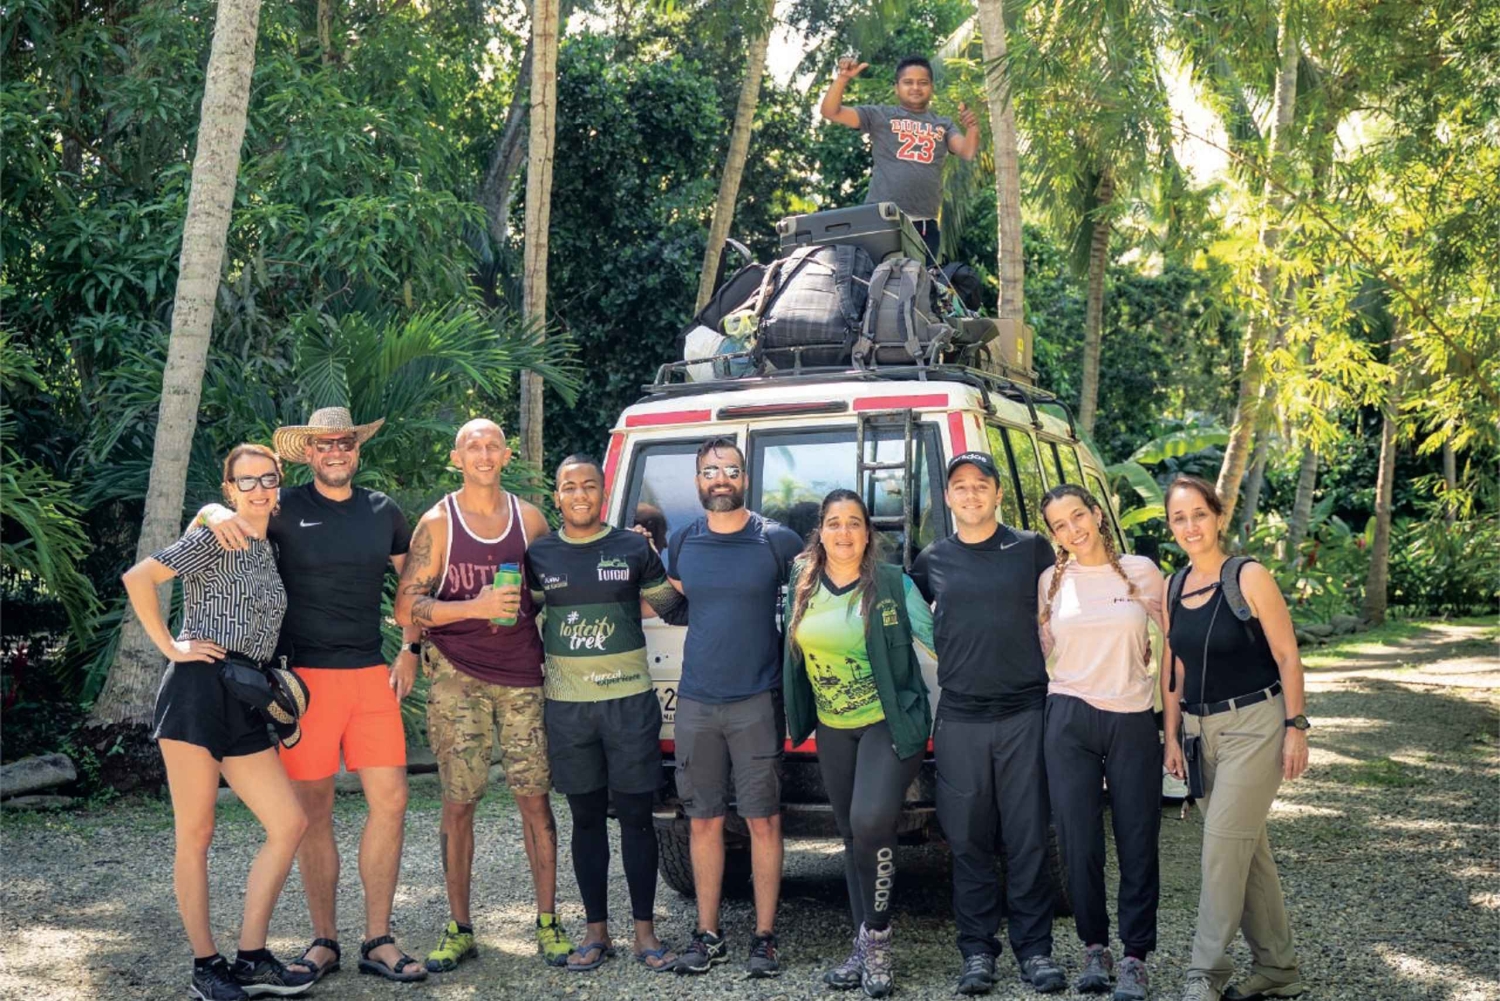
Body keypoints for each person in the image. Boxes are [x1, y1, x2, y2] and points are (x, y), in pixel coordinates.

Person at [199, 407, 425, 984]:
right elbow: (228, 518)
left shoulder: (384, 511)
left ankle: (378, 939)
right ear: (308, 453)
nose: (335, 452)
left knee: (392, 802)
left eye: (344, 442)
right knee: (311, 813)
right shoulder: (284, 507)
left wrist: (411, 648)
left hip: (372, 675)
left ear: (356, 448)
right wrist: (211, 508)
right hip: (303, 684)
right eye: (324, 444)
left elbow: (412, 584)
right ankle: (324, 940)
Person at [123, 444, 314, 1000]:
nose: (258, 489)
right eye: (244, 481)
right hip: (197, 689)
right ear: (229, 489)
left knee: (288, 823)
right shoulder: (216, 534)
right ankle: (206, 966)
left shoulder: (268, 548)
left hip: (246, 694)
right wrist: (171, 646)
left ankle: (251, 958)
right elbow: (140, 578)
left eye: (267, 479)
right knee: (197, 832)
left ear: (278, 485)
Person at [392, 419, 575, 970]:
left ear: (507, 454)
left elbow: (553, 585)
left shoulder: (531, 519)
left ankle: (547, 921)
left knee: (535, 800)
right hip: (456, 675)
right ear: (457, 457)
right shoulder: (438, 523)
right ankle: (460, 926)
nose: (484, 453)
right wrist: (472, 608)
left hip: (522, 673)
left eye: (493, 444)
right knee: (459, 802)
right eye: (473, 445)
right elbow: (406, 607)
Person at [524, 454, 690, 972]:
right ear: (557, 496)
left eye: (589, 486)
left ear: (603, 491)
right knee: (586, 820)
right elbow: (517, 615)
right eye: (568, 486)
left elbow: (672, 607)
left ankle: (646, 934)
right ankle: (597, 934)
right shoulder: (539, 555)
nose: (579, 495)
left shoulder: (631, 547)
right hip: (569, 710)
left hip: (629, 706)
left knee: (639, 820)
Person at [909, 451, 1067, 995]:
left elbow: (1070, 605)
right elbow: (905, 613)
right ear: (948, 498)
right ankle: (977, 951)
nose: (971, 494)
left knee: (1027, 839)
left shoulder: (1030, 550)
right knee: (969, 838)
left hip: (1026, 712)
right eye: (960, 487)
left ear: (998, 494)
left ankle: (1035, 950)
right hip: (961, 717)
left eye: (982, 485)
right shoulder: (932, 560)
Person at [1160, 477, 1309, 1001]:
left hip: (1255, 727)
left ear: (1218, 517)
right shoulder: (1173, 586)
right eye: (1179, 518)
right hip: (1200, 735)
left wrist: (1296, 728)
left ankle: (1205, 974)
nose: (1190, 526)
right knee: (1249, 854)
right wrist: (1172, 736)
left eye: (1198, 514)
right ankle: (1278, 968)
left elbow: (1288, 655)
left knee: (1221, 851)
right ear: (1171, 526)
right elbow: (1172, 665)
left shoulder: (1248, 576)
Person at [782, 490, 935, 999]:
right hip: (833, 726)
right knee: (851, 834)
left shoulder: (892, 584)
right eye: (833, 523)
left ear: (868, 533)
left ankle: (879, 943)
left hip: (889, 721)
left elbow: (942, 640)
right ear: (819, 532)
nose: (843, 532)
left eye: (854, 523)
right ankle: (863, 943)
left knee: (872, 821)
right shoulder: (801, 584)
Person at [664, 437, 804, 978]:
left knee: (763, 821)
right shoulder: (683, 542)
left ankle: (765, 938)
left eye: (729, 470)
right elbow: (675, 600)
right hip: (697, 701)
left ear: (745, 477)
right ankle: (707, 935)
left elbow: (811, 595)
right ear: (697, 480)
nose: (719, 478)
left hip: (756, 700)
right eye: (709, 471)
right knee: (702, 822)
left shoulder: (777, 541)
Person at [1037, 484, 1165, 1000]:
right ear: (1053, 534)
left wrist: (1172, 731)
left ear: (1096, 514)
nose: (1073, 529)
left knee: (1138, 839)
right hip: (1068, 715)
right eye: (1059, 525)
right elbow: (1044, 648)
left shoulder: (1142, 572)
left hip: (1133, 715)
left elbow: (1170, 651)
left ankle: (1135, 955)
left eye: (1078, 516)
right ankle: (1095, 947)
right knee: (1077, 840)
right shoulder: (1050, 580)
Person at [820, 54, 981, 261]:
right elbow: (830, 112)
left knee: (918, 287)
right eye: (908, 82)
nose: (915, 87)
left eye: (922, 83)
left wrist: (973, 128)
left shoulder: (943, 124)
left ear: (931, 87)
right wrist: (843, 78)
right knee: (871, 282)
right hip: (880, 217)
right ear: (897, 87)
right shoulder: (879, 115)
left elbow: (967, 151)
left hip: (924, 224)